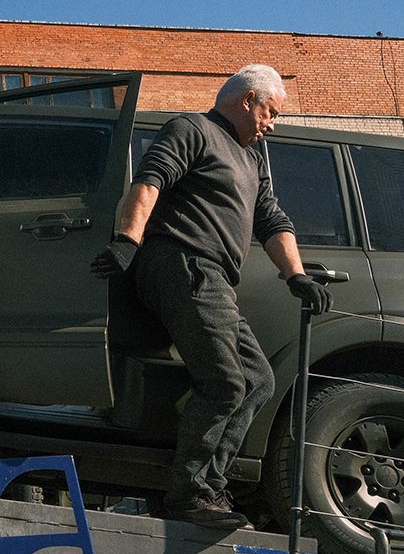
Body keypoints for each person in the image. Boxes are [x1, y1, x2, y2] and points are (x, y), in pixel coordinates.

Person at [91, 64, 333, 529]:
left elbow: (272, 219)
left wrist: (297, 276)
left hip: (213, 278)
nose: (272, 124)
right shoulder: (192, 129)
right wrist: (127, 241)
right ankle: (189, 495)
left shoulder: (252, 161)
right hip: (182, 262)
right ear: (247, 99)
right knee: (225, 382)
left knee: (257, 380)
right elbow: (149, 181)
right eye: (270, 112)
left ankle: (208, 487)